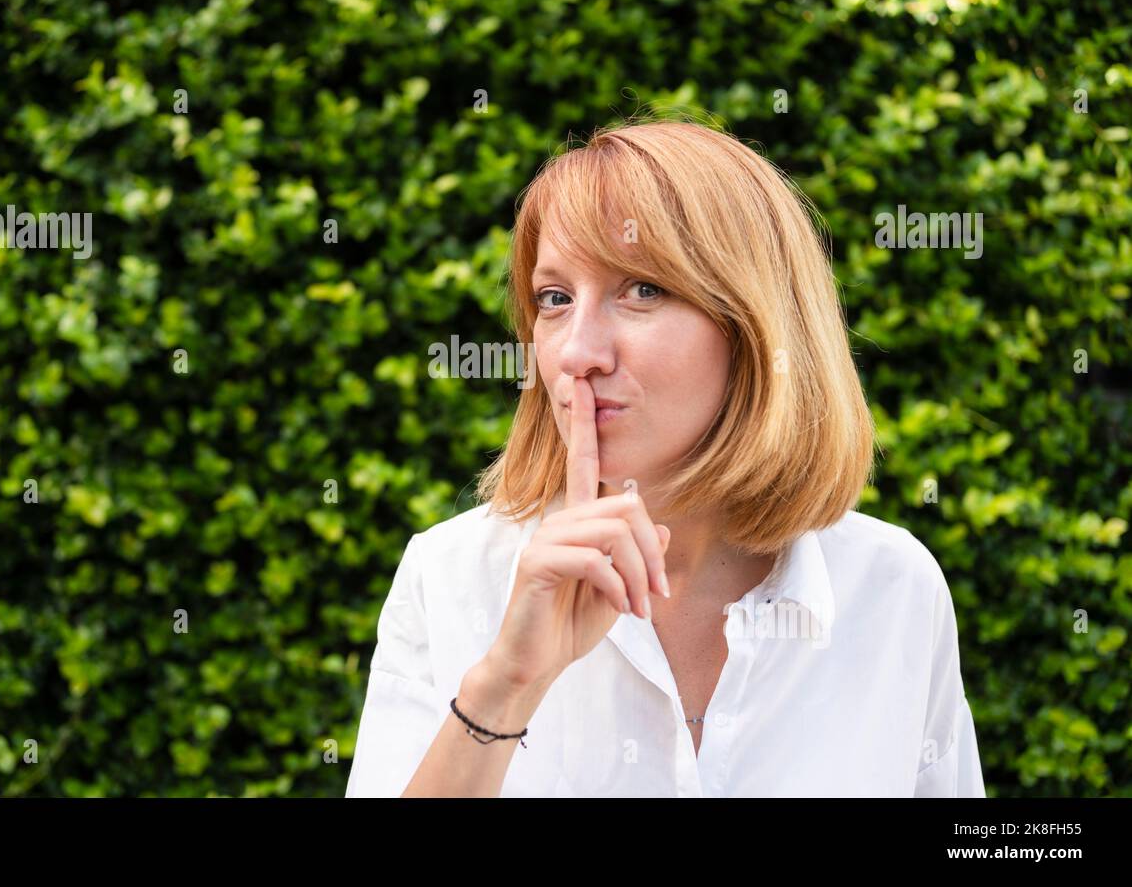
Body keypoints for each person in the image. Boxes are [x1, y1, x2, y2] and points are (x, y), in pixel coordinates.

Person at [345, 116, 987, 797]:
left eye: (642, 290)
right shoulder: (451, 578)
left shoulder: (891, 591)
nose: (577, 353)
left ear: (754, 324)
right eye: (554, 300)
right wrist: (505, 687)